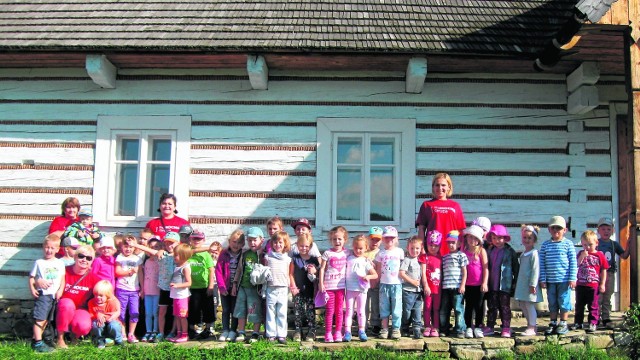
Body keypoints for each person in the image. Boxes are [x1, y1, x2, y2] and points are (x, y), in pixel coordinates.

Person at [127, 231, 180, 341]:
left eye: (172, 243)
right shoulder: (161, 255)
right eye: (167, 243)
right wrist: (135, 245)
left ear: (178, 244)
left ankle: (173, 331)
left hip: (176, 288)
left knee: (176, 312)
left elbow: (193, 250)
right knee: (161, 312)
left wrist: (209, 248)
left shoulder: (180, 255)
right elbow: (150, 250)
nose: (169, 245)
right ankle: (160, 333)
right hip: (164, 288)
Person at [539, 216, 577, 336]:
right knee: (552, 302)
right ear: (549, 229)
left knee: (563, 301)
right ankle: (553, 322)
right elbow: (542, 263)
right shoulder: (545, 245)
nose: (556, 230)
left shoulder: (568, 244)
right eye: (553, 228)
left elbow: (573, 262)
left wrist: (572, 278)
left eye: (559, 228)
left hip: (564, 280)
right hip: (551, 280)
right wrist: (543, 279)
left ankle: (564, 322)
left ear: (564, 230)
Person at [55, 245, 99, 348]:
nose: (84, 260)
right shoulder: (64, 271)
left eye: (88, 258)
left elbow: (107, 293)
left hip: (80, 308)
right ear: (75, 257)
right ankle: (60, 338)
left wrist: (116, 312)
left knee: (84, 326)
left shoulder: (94, 277)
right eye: (81, 256)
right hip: (63, 307)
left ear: (92, 261)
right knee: (67, 304)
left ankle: (74, 335)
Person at [29, 235, 66, 353]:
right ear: (43, 247)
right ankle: (38, 344)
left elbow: (62, 278)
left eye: (52, 248)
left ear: (57, 249)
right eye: (46, 247)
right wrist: (32, 288)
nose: (49, 250)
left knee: (46, 319)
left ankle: (36, 340)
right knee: (40, 318)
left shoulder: (60, 263)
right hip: (43, 295)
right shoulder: (39, 262)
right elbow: (31, 277)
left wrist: (60, 290)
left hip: (53, 296)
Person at [415, 173, 466, 256]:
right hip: (433, 251)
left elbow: (460, 230)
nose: (440, 188)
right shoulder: (426, 205)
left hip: (452, 251)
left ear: (449, 187)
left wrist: (461, 250)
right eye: (437, 185)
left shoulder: (455, 206)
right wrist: (421, 247)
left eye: (443, 185)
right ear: (433, 187)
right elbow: (421, 229)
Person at [596, 217, 633, 329]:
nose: (606, 231)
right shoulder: (596, 243)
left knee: (607, 296)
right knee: (598, 297)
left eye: (608, 229)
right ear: (598, 231)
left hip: (610, 273)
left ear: (612, 231)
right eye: (603, 229)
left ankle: (606, 318)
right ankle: (595, 318)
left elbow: (624, 255)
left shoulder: (614, 244)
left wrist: (629, 244)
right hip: (597, 274)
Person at [484, 224, 518, 338]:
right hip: (492, 285)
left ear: (505, 238)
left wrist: (514, 283)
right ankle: (490, 326)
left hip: (504, 285)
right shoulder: (489, 250)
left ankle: (506, 327)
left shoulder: (510, 251)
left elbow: (515, 268)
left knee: (505, 307)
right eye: (494, 238)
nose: (497, 241)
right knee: (492, 306)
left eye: (499, 238)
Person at [232, 227, 265, 343]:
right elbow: (239, 270)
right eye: (250, 240)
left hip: (255, 288)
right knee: (241, 309)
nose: (252, 243)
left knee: (254, 309)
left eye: (255, 240)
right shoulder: (245, 254)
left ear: (262, 240)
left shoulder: (263, 255)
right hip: (243, 286)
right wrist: (235, 283)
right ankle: (241, 331)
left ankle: (255, 332)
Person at [573, 230, 609, 333]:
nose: (587, 247)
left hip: (593, 284)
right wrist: (582, 256)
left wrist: (602, 284)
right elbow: (577, 264)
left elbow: (604, 270)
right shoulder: (581, 253)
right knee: (579, 304)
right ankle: (578, 322)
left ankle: (593, 323)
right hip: (581, 284)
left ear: (596, 243)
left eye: (590, 244)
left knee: (593, 305)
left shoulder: (599, 255)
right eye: (585, 245)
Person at [344, 234, 378, 342]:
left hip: (362, 290)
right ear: (353, 247)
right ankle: (347, 332)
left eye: (361, 248)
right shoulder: (348, 258)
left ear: (366, 248)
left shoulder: (366, 261)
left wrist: (367, 276)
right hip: (350, 289)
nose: (358, 250)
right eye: (356, 248)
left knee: (361, 311)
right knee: (349, 311)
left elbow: (375, 275)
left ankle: (361, 331)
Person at [319, 226, 349, 343]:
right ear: (331, 240)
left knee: (340, 310)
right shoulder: (327, 253)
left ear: (344, 240)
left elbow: (358, 255)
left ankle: (338, 332)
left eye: (340, 239)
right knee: (330, 310)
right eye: (334, 239)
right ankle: (328, 333)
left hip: (341, 287)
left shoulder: (347, 253)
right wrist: (321, 283)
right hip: (329, 287)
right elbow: (322, 269)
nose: (337, 241)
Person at [374, 226, 404, 340]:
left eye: (392, 238)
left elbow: (403, 267)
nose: (389, 240)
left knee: (396, 307)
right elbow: (378, 269)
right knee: (384, 307)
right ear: (382, 239)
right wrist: (376, 281)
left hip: (396, 284)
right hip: (384, 284)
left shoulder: (400, 252)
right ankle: (385, 328)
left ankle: (396, 328)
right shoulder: (380, 253)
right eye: (386, 238)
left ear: (396, 239)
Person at [289, 233, 320, 342]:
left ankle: (311, 330)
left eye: (306, 246)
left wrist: (314, 271)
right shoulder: (294, 258)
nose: (304, 248)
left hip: (311, 290)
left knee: (310, 311)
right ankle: (298, 330)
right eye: (301, 246)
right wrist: (293, 287)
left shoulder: (314, 259)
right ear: (297, 245)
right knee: (298, 311)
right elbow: (291, 274)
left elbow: (318, 274)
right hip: (298, 290)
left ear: (310, 246)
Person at [215, 229, 245, 342]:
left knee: (235, 309)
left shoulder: (243, 254)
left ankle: (233, 330)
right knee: (226, 309)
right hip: (225, 287)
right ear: (229, 241)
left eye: (239, 243)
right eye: (234, 242)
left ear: (242, 244)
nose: (236, 245)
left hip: (237, 288)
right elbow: (218, 271)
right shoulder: (224, 253)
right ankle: (225, 330)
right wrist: (221, 287)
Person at [514, 225, 543, 336]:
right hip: (522, 284)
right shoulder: (523, 254)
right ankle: (529, 324)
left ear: (534, 240)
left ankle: (532, 326)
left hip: (530, 284)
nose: (527, 240)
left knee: (529, 304)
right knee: (522, 304)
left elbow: (535, 270)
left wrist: (533, 284)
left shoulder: (534, 253)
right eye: (525, 237)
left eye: (529, 238)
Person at [187, 230, 216, 340]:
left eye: (199, 239)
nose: (196, 241)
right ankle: (191, 329)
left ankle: (208, 328)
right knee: (193, 308)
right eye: (194, 238)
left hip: (204, 286)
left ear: (203, 240)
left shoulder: (206, 255)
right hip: (192, 286)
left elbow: (211, 270)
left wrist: (211, 286)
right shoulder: (188, 251)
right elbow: (190, 252)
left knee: (207, 308)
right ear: (190, 240)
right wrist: (208, 248)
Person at [264, 231, 292, 344]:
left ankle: (281, 335)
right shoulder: (268, 257)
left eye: (280, 242)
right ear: (272, 243)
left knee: (281, 312)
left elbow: (289, 273)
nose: (278, 245)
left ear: (285, 244)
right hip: (271, 287)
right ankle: (271, 334)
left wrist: (290, 285)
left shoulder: (287, 258)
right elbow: (265, 272)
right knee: (270, 311)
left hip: (283, 288)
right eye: (275, 242)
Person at [115, 237, 144, 343]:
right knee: (121, 313)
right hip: (122, 289)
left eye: (131, 247)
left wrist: (143, 288)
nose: (128, 249)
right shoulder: (119, 257)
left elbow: (140, 273)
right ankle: (123, 333)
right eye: (126, 246)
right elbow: (117, 272)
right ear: (121, 247)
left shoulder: (137, 259)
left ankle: (131, 333)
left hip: (134, 290)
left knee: (134, 312)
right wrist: (129, 272)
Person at [439, 231, 468, 338]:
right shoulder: (445, 257)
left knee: (458, 309)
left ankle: (460, 329)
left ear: (459, 244)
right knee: (444, 309)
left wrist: (462, 285)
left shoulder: (461, 255)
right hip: (445, 287)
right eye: (449, 243)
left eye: (453, 242)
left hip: (457, 287)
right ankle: (444, 328)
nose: (451, 245)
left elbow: (464, 271)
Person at [462, 225, 488, 338]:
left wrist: (485, 282)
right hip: (467, 284)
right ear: (466, 238)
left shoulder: (481, 251)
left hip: (479, 284)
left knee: (479, 306)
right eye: (470, 237)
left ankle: (478, 327)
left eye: (475, 238)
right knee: (468, 306)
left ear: (479, 240)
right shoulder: (463, 251)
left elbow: (486, 268)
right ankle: (468, 326)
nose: (472, 240)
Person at [399, 236, 425, 339]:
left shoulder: (420, 260)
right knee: (407, 310)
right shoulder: (407, 260)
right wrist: (413, 282)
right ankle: (405, 327)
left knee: (417, 310)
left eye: (417, 248)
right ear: (408, 248)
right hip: (408, 290)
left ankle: (416, 329)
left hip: (418, 291)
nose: (415, 251)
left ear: (421, 248)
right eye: (412, 248)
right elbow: (401, 273)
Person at [168, 243, 193, 343]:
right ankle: (178, 334)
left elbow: (189, 282)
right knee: (177, 316)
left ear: (184, 256)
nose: (174, 257)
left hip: (182, 296)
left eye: (176, 255)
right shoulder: (177, 266)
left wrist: (177, 286)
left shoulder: (185, 268)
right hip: (175, 295)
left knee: (182, 316)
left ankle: (184, 335)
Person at [88, 280, 123, 348]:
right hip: (100, 323)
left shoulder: (112, 302)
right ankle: (99, 340)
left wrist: (103, 316)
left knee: (114, 325)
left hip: (110, 322)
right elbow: (91, 314)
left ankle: (118, 340)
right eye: (95, 295)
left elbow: (113, 314)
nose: (98, 297)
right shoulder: (91, 302)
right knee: (96, 324)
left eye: (101, 296)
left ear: (108, 295)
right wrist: (97, 315)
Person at [421, 230, 442, 337]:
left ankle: (436, 327)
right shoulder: (425, 257)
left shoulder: (441, 258)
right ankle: (427, 326)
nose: (433, 247)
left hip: (438, 289)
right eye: (430, 245)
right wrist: (425, 285)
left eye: (436, 245)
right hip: (429, 288)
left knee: (437, 308)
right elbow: (423, 273)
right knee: (427, 307)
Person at [141, 238, 162, 342]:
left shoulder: (160, 261)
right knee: (148, 313)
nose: (153, 250)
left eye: (156, 247)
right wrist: (142, 290)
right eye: (151, 247)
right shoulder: (146, 262)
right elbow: (143, 276)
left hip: (157, 291)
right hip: (147, 290)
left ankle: (155, 331)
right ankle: (148, 331)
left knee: (155, 312)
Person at [365, 226, 383, 336]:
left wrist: (376, 279)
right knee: (364, 305)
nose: (375, 242)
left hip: (376, 282)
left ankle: (376, 324)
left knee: (376, 305)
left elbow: (380, 268)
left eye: (377, 240)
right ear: (368, 239)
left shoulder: (381, 252)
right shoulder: (364, 251)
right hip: (363, 283)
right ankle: (364, 323)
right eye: (372, 239)